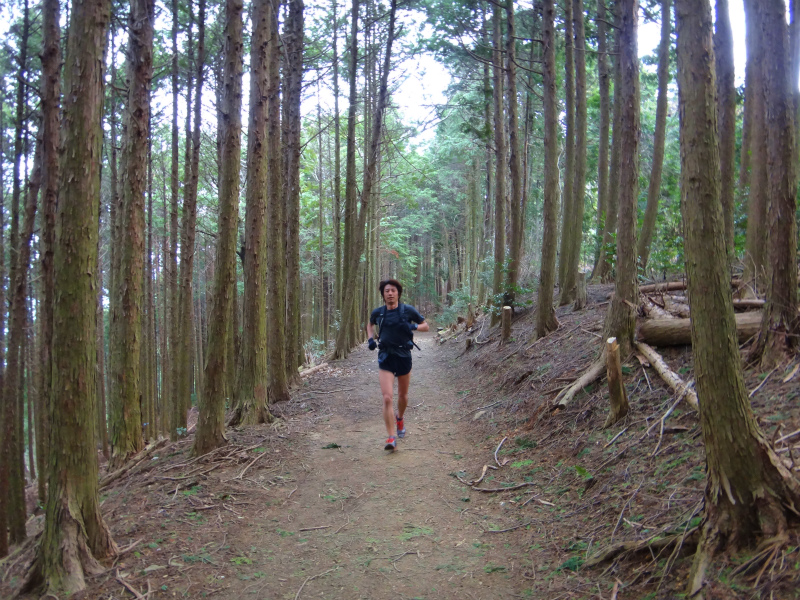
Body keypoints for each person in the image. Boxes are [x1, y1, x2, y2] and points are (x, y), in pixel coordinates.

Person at [366, 279, 429, 451]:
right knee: (387, 397)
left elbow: (426, 326)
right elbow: (370, 324)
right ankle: (391, 437)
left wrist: (413, 326)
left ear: (398, 293)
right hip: (385, 356)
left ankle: (399, 417)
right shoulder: (378, 313)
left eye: (393, 290)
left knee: (403, 396)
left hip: (403, 355)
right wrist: (370, 339)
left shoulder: (407, 310)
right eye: (387, 291)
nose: (390, 293)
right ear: (383, 294)